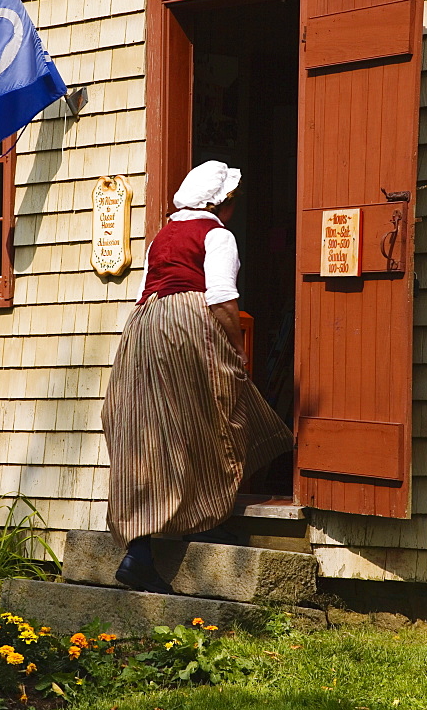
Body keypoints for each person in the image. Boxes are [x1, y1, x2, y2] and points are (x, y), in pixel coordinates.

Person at [101, 160, 294, 594]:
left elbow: (142, 294)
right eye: (231, 201)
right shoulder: (217, 235)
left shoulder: (161, 236)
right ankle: (204, 521)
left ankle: (141, 549)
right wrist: (239, 352)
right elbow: (223, 298)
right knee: (213, 414)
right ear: (221, 202)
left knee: (147, 428)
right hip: (188, 322)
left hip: (144, 327)